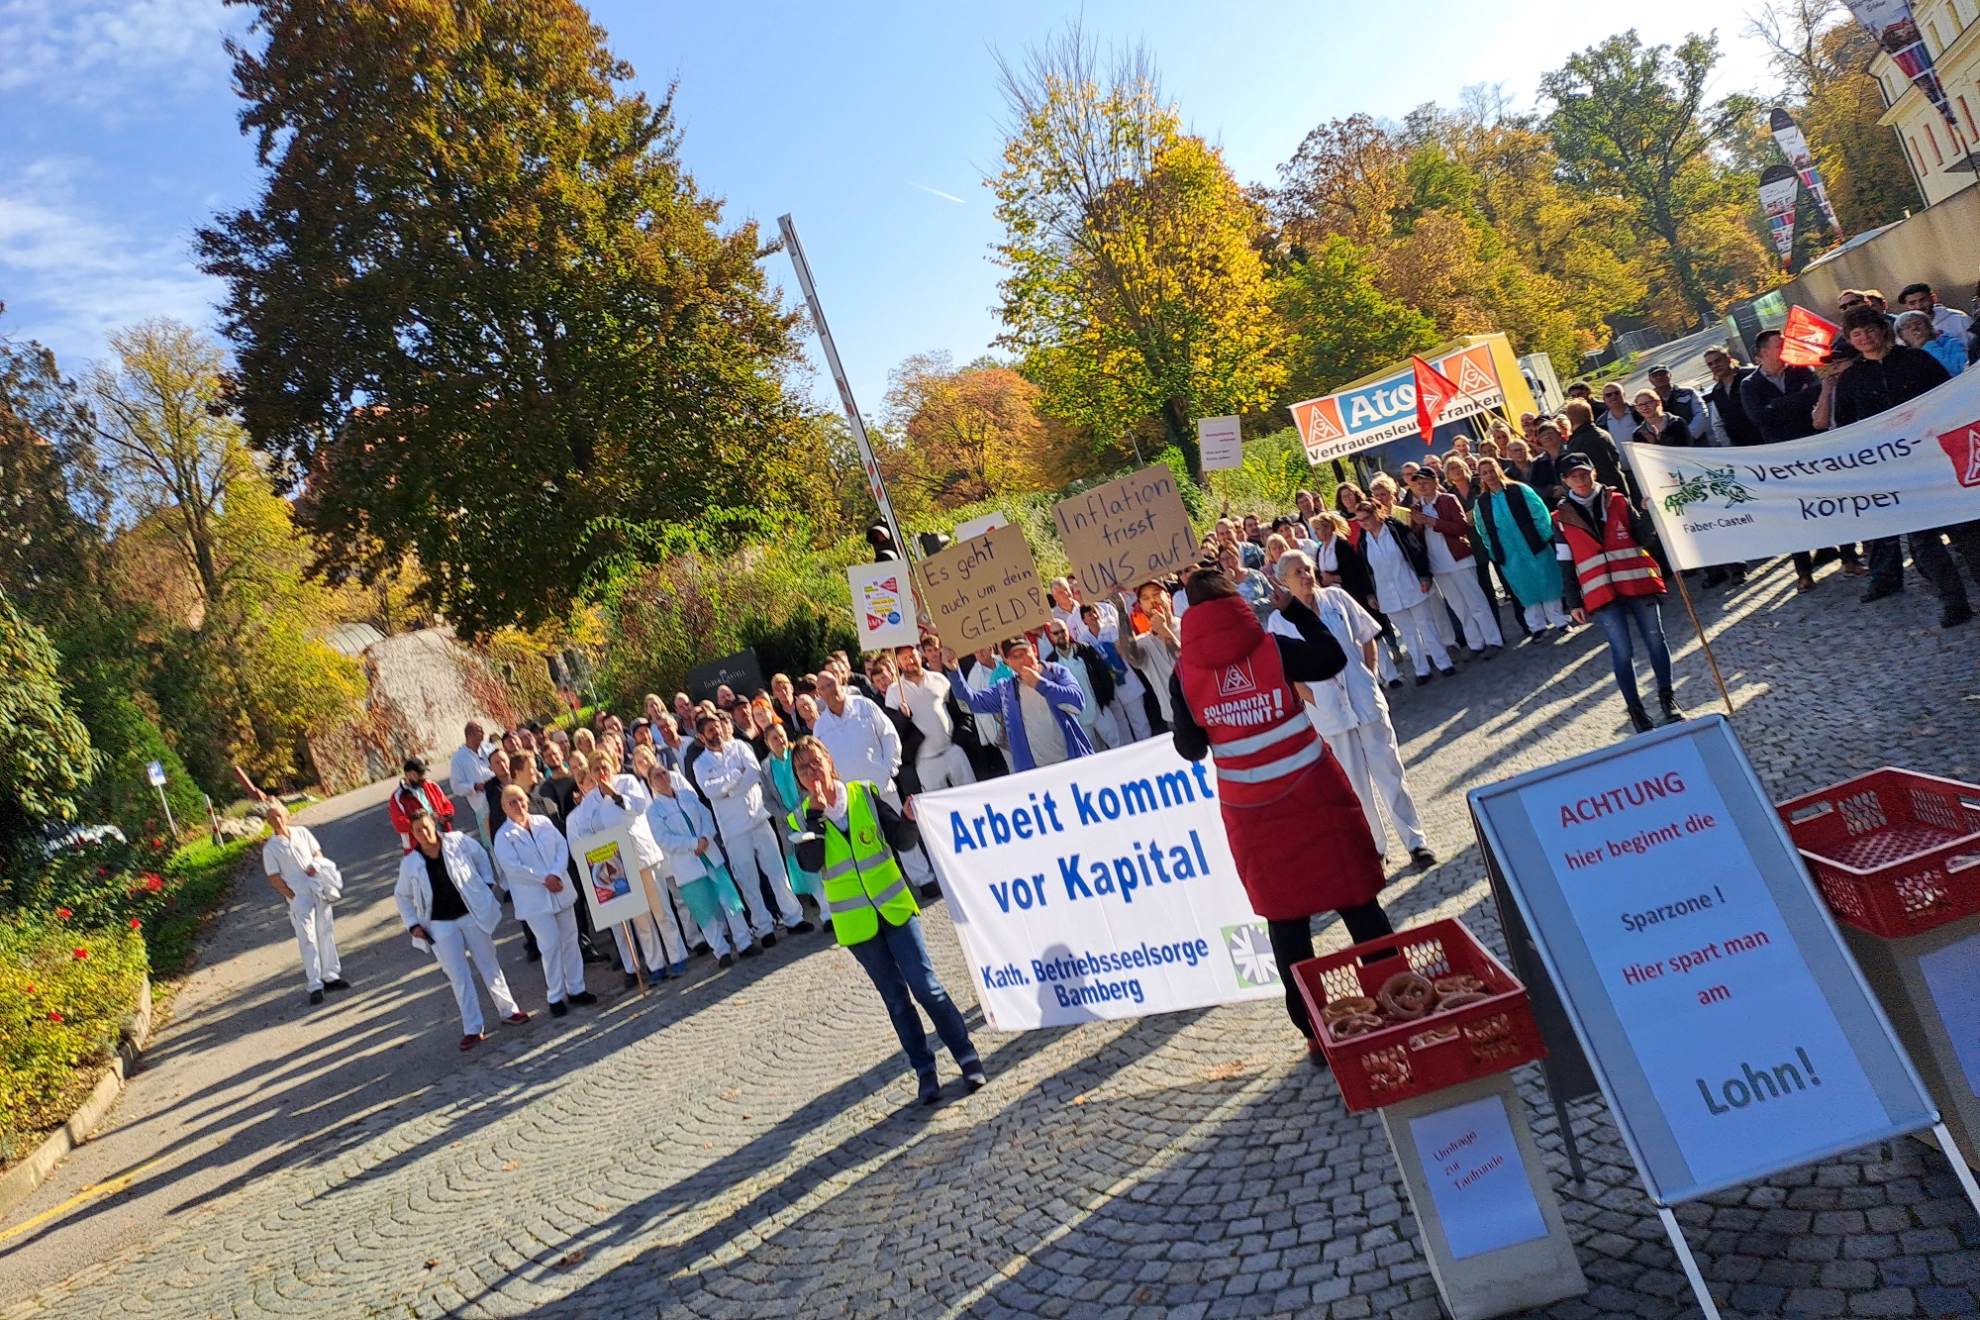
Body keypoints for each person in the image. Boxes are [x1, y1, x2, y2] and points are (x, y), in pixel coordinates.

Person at [1168, 568, 1395, 1054]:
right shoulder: (1272, 646)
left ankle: (1314, 1033)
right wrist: (1293, 610)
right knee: (1357, 900)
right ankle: (1394, 998)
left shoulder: (1184, 672)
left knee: (1286, 921)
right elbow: (1333, 658)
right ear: (1234, 601)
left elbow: (1190, 749)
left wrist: (1211, 714)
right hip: (1313, 793)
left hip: (1251, 812)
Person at [788, 737, 985, 1105]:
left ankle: (967, 1055)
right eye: (803, 769)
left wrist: (909, 821)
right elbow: (811, 863)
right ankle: (925, 1072)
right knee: (896, 1000)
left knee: (927, 987)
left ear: (829, 761)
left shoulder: (863, 794)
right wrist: (815, 816)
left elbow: (901, 840)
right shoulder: (800, 818)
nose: (811, 773)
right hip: (858, 925)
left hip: (894, 907)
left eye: (815, 762)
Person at [1271, 552, 1433, 868]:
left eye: (1307, 568)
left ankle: (1416, 842)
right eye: (1296, 572)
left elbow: (1367, 634)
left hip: (1364, 698)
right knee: (1354, 785)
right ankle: (1375, 847)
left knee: (1390, 772)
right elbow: (1285, 672)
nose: (1305, 575)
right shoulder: (1278, 621)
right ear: (1283, 581)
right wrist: (1314, 699)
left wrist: (1370, 673)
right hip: (1329, 712)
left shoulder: (1336, 598)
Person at [1817, 304, 1973, 627]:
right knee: (1923, 542)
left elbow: (1949, 398)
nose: (1864, 338)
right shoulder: (1852, 379)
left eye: (1869, 330)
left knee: (1968, 532)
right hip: (1896, 472)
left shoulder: (1917, 360)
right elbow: (1846, 426)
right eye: (1856, 334)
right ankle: (1953, 602)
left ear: (1883, 330)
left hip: (1937, 461)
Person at [1553, 454, 1682, 732]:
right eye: (1573, 476)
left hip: (1636, 583)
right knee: (1622, 651)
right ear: (1564, 482)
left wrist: (1648, 514)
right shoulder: (1560, 518)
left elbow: (1643, 537)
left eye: (1584, 474)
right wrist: (1574, 602)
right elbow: (1565, 562)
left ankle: (1667, 700)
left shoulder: (1618, 501)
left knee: (1656, 640)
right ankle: (1636, 711)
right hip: (1601, 593)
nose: (1580, 480)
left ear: (1594, 473)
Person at [394, 810, 527, 1051]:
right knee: (459, 976)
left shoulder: (457, 841)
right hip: (440, 924)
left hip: (470, 915)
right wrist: (413, 924)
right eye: (417, 831)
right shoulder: (411, 863)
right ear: (412, 834)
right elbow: (402, 895)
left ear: (433, 824)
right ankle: (473, 1028)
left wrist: (487, 884)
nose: (423, 833)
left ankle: (509, 1010)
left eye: (425, 827)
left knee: (489, 964)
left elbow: (481, 857)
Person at [809, 669, 944, 893]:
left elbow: (888, 733)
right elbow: (822, 762)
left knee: (901, 830)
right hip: (853, 796)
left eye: (832, 684)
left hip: (881, 784)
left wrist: (890, 766)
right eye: (823, 688)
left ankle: (923, 879)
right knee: (870, 842)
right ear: (819, 693)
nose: (830, 690)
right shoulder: (820, 727)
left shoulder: (864, 706)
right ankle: (888, 887)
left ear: (840, 682)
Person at [566, 751, 689, 985]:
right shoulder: (590, 801)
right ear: (591, 773)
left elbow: (639, 807)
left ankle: (677, 956)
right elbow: (584, 830)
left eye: (605, 767)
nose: (602, 773)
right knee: (641, 920)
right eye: (596, 770)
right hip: (618, 865)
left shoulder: (628, 782)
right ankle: (655, 964)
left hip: (642, 855)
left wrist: (616, 795)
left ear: (612, 766)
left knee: (660, 909)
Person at [691, 710, 814, 940]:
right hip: (734, 830)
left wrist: (728, 787)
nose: (716, 732)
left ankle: (793, 917)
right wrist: (736, 776)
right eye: (710, 730)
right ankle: (764, 927)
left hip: (758, 818)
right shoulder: (700, 764)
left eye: (717, 727)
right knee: (748, 880)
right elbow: (710, 790)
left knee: (777, 873)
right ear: (701, 737)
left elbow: (754, 774)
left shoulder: (740, 747)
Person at [642, 759, 757, 967]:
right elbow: (664, 839)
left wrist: (705, 838)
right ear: (651, 783)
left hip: (710, 855)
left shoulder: (687, 796)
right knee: (703, 909)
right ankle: (721, 951)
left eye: (664, 773)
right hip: (687, 864)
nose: (663, 777)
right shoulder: (654, 811)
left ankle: (744, 941)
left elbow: (706, 817)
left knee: (729, 899)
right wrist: (692, 843)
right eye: (657, 776)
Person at [493, 785, 590, 1017]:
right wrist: (544, 879)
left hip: (560, 889)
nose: (518, 805)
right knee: (550, 946)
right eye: (512, 802)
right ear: (504, 807)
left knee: (570, 941)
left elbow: (561, 847)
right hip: (534, 899)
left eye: (521, 799)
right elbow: (513, 869)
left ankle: (577, 988)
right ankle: (556, 995)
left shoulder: (543, 823)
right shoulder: (503, 837)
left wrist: (556, 873)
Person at [945, 635, 1091, 771]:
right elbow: (969, 704)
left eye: (1024, 653)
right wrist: (953, 670)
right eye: (1015, 657)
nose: (1021, 660)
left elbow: (1077, 703)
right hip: (1036, 773)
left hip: (1073, 763)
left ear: (1034, 650)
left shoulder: (1056, 673)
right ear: (1007, 662)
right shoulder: (1005, 690)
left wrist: (1040, 684)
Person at [1405, 467, 1503, 657]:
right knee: (1458, 606)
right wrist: (1416, 525)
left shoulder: (1447, 500)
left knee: (1476, 602)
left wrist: (1433, 522)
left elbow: (1461, 527)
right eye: (1418, 483)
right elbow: (1416, 540)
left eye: (1425, 481)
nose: (1422, 485)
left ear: (1435, 482)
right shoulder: (1416, 508)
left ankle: (1493, 640)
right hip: (1438, 566)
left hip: (1459, 560)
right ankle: (1476, 643)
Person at [1473, 457, 1573, 636]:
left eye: (1492, 470)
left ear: (1499, 469)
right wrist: (1494, 552)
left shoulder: (1519, 490)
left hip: (1534, 545)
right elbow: (1483, 531)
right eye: (1484, 472)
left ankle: (1559, 620)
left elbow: (1540, 513)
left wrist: (1542, 537)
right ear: (1481, 476)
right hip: (1509, 554)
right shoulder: (1481, 504)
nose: (1490, 475)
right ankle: (1537, 627)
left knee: (1548, 582)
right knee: (1524, 589)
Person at [1355, 500, 1451, 683]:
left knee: (1426, 625)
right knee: (1408, 633)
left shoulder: (1395, 529)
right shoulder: (1363, 540)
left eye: (1366, 518)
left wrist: (1424, 576)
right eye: (1359, 520)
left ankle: (1443, 662)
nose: (1363, 523)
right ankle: (1421, 669)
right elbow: (1364, 570)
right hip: (1387, 594)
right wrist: (1370, 594)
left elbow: (1416, 551)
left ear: (1377, 513)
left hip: (1411, 584)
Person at [262, 800, 348, 1005]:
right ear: (268, 822)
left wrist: (316, 866)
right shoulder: (271, 848)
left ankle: (331, 976)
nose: (276, 820)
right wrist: (291, 895)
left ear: (286, 815)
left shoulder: (301, 833)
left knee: (325, 933)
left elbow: (317, 852)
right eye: (272, 817)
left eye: (279, 815)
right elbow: (274, 876)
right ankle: (315, 984)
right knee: (308, 939)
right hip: (299, 897)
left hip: (317, 889)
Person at [1051, 576, 1155, 742]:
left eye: (1093, 613)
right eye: (1076, 592)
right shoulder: (1075, 627)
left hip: (1125, 677)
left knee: (1140, 722)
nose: (1091, 616)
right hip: (1106, 683)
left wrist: (1107, 650)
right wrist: (1106, 650)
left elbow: (1123, 642)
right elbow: (1085, 654)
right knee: (1121, 729)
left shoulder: (1109, 614)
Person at [758, 719, 828, 930]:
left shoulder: (798, 756)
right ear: (767, 742)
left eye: (781, 735)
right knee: (806, 869)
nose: (780, 740)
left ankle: (836, 907)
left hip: (810, 813)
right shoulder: (765, 768)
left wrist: (803, 807)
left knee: (824, 861)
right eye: (774, 738)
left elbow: (809, 781)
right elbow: (766, 800)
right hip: (787, 825)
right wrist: (787, 814)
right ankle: (826, 914)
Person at [1046, 617, 1116, 752]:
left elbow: (1103, 675)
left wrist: (1105, 701)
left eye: (1063, 631)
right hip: (1079, 720)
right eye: (1056, 633)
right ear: (1051, 636)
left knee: (1117, 744)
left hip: (1100, 710)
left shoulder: (1085, 650)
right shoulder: (1050, 664)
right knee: (1093, 754)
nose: (1060, 635)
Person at [1119, 581, 1181, 729]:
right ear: (1140, 605)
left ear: (1168, 597)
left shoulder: (1188, 625)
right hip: (1176, 720)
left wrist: (1164, 630)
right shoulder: (1144, 643)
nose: (1152, 601)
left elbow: (1185, 662)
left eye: (1156, 594)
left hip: (1205, 710)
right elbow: (1133, 657)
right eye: (1145, 598)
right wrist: (1121, 611)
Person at [388, 756, 454, 853]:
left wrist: (445, 816)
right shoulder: (398, 797)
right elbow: (399, 825)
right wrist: (425, 821)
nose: (422, 777)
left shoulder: (431, 785)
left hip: (443, 838)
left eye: (422, 773)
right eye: (418, 774)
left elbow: (447, 805)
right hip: (418, 847)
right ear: (407, 774)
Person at [1700, 346, 1760, 448]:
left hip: (1767, 441)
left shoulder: (1752, 375)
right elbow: (1718, 423)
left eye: (1718, 360)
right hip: (1741, 448)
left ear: (1728, 359)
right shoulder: (1717, 391)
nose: (1715, 366)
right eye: (1710, 364)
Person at [449, 721, 496, 846]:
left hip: (500, 798)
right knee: (493, 844)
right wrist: (474, 787)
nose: (483, 733)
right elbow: (456, 787)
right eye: (480, 730)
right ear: (470, 734)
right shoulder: (459, 758)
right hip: (483, 808)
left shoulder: (490, 748)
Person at [1898, 281, 1973, 351]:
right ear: (1906, 307)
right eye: (1912, 303)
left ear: (1933, 298)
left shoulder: (1960, 320)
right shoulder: (1904, 333)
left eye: (1923, 300)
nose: (1919, 306)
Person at [1897, 309, 1969, 377]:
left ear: (1929, 327)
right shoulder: (1904, 359)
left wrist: (1928, 345)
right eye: (1908, 327)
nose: (1914, 328)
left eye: (1918, 323)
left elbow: (1960, 369)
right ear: (1902, 336)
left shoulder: (1951, 343)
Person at [1647, 365, 1706, 434]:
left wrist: (1688, 435)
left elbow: (1701, 413)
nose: (1659, 377)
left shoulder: (1688, 392)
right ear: (1650, 380)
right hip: (1667, 443)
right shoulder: (1648, 401)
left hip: (1696, 441)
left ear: (1670, 375)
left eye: (1662, 374)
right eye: (1655, 376)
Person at [1596, 383, 1641, 453]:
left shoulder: (1639, 412)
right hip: (1620, 463)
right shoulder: (1601, 422)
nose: (1613, 397)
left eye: (1617, 393)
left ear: (1624, 395)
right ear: (1604, 399)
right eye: (1608, 395)